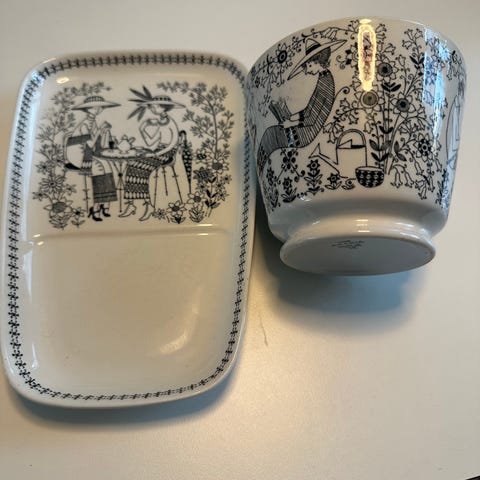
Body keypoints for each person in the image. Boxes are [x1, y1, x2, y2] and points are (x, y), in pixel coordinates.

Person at [256, 38, 345, 174]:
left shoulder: (326, 82)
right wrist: (291, 117)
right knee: (272, 131)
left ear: (316, 61)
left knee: (271, 134)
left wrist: (290, 124)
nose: (307, 70)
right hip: (306, 127)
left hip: (306, 133)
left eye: (308, 66)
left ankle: (263, 168)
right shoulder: (324, 78)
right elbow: (310, 110)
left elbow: (312, 118)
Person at [120, 93, 187, 221]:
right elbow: (151, 143)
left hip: (167, 154)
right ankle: (131, 204)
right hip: (157, 151)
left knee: (141, 169)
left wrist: (155, 154)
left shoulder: (171, 123)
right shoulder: (160, 123)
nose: (152, 109)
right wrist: (142, 129)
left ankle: (148, 206)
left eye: (155, 107)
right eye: (152, 107)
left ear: (164, 108)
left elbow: (172, 144)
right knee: (131, 165)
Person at [65, 95, 120, 221]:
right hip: (77, 154)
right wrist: (100, 130)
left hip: (88, 152)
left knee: (108, 168)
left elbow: (97, 145)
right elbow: (90, 144)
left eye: (100, 107)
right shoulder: (85, 124)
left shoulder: (93, 122)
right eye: (94, 108)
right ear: (87, 109)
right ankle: (95, 208)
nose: (98, 110)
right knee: (99, 169)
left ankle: (105, 205)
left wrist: (105, 132)